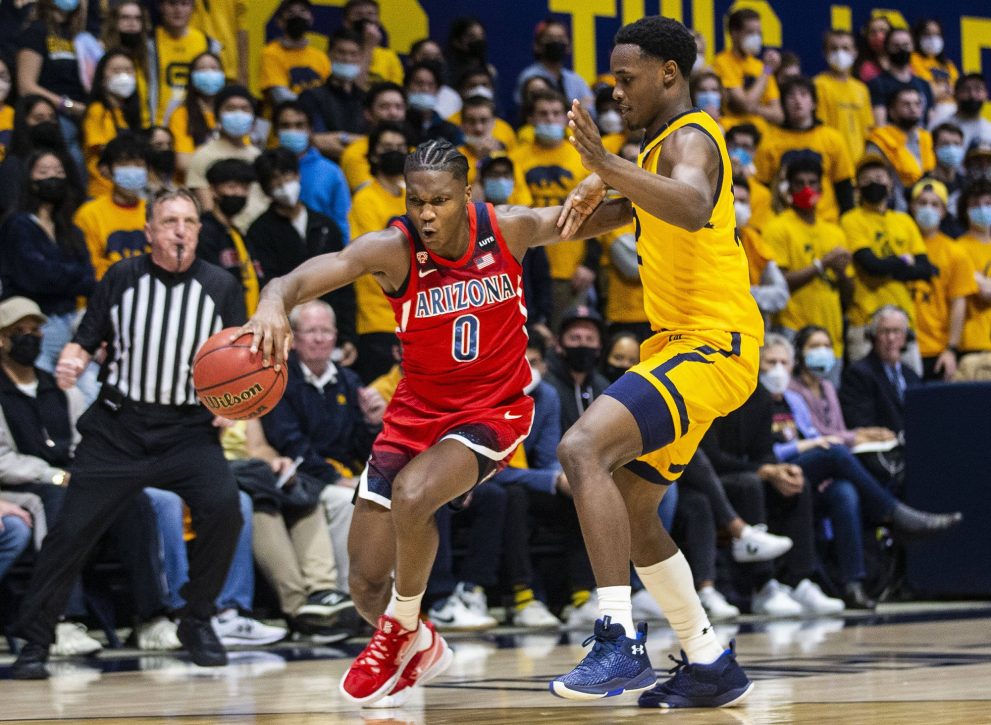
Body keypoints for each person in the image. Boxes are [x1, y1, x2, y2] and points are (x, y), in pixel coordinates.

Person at [239, 137, 630, 707]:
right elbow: (309, 276)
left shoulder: (509, 228)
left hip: (494, 409)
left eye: (440, 201)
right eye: (415, 200)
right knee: (366, 586)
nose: (425, 214)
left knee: (414, 492)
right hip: (415, 413)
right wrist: (273, 299)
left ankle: (398, 631)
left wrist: (621, 182)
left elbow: (617, 213)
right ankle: (418, 639)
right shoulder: (392, 248)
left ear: (466, 195)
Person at [550, 16, 761, 707]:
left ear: (668, 73)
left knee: (581, 447)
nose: (615, 91)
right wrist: (584, 198)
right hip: (686, 346)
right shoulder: (653, 153)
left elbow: (694, 204)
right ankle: (707, 660)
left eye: (624, 77)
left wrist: (606, 169)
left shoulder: (691, 137)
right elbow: (629, 211)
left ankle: (616, 637)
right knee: (634, 511)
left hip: (712, 341)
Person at [10, 189, 246, 679]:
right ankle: (34, 638)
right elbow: (87, 334)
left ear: (199, 231)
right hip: (119, 429)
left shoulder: (222, 284)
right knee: (70, 531)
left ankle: (196, 619)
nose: (180, 230)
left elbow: (238, 357)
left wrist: (233, 406)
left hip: (188, 430)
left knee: (225, 508)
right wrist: (74, 355)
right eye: (169, 221)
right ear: (149, 232)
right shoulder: (121, 276)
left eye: (188, 221)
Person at [260, 300, 380, 594]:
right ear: (293, 338)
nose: (318, 338)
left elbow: (360, 447)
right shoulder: (279, 380)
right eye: (311, 331)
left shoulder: (349, 380)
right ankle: (346, 594)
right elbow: (290, 443)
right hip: (301, 476)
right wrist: (335, 478)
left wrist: (372, 424)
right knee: (347, 500)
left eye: (325, 331)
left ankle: (389, 596)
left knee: (390, 496)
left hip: (344, 473)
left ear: (336, 337)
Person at [247, 148, 354, 354]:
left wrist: (349, 336)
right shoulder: (259, 231)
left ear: (297, 174)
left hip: (331, 332)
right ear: (266, 189)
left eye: (286, 175)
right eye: (274, 181)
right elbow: (267, 283)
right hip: (289, 337)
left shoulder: (325, 225)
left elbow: (346, 283)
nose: (283, 185)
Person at [0, 150, 94, 374]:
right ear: (29, 180)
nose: (53, 176)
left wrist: (59, 274)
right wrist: (72, 275)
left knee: (91, 391)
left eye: (59, 171)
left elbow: (89, 278)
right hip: (35, 325)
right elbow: (36, 278)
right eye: (44, 171)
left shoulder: (71, 230)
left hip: (71, 322)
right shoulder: (18, 225)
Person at [510, 90, 592, 330]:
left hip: (572, 268)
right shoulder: (515, 159)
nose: (550, 119)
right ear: (531, 119)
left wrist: (589, 262)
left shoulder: (583, 156)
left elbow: (597, 211)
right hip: (527, 266)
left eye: (556, 113)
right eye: (543, 114)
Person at [842, 155, 933, 368]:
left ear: (890, 183)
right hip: (865, 321)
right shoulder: (851, 219)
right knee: (867, 387)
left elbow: (925, 269)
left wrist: (888, 267)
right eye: (867, 179)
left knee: (911, 391)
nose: (875, 182)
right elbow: (870, 266)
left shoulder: (904, 220)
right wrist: (903, 262)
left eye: (880, 177)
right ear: (858, 187)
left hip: (904, 320)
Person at [762, 155, 851, 357]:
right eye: (799, 183)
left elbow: (848, 294)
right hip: (792, 329)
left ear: (821, 189)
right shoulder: (776, 228)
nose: (806, 188)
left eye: (812, 183)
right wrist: (822, 264)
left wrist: (842, 274)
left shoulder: (835, 232)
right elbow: (779, 284)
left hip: (831, 333)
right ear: (789, 189)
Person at [348, 122, 409, 383]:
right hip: (376, 318)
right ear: (373, 154)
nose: (394, 152)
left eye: (400, 147)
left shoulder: (413, 197)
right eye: (387, 148)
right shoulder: (365, 199)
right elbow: (373, 256)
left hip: (415, 318)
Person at [754, 76, 855, 222]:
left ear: (813, 103)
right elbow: (762, 187)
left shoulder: (832, 138)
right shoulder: (769, 141)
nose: (797, 100)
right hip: (784, 224)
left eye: (803, 94)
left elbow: (844, 186)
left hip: (826, 221)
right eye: (791, 96)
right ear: (783, 104)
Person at [908, 179, 977, 380]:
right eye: (922, 203)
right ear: (912, 207)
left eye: (935, 204)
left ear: (944, 211)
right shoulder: (898, 244)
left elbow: (958, 304)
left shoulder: (955, 252)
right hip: (901, 347)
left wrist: (951, 349)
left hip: (937, 350)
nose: (928, 209)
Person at [16, 0, 88, 176]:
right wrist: (70, 106)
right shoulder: (36, 31)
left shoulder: (76, 36)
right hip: (56, 119)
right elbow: (26, 86)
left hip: (82, 119)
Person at [186, 84, 268, 229]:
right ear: (218, 116)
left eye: (245, 108)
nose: (238, 114)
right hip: (226, 237)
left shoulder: (258, 156)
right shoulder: (203, 156)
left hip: (259, 236)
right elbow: (208, 210)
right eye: (230, 108)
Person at [74, 132, 150, 281]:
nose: (132, 170)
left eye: (139, 164)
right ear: (107, 170)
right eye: (124, 163)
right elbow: (88, 270)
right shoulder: (89, 214)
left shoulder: (154, 211)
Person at [274, 100, 350, 242]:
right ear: (276, 131)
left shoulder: (331, 172)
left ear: (310, 130)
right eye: (285, 126)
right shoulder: (267, 168)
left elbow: (342, 222)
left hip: (322, 251)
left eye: (299, 125)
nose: (292, 131)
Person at [196, 159, 260, 315]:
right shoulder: (203, 232)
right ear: (213, 190)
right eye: (232, 187)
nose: (238, 193)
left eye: (244, 188)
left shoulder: (239, 234)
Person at [81, 49, 143, 198]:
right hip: (102, 191)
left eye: (128, 70)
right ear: (102, 77)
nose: (123, 76)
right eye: (116, 71)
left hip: (130, 192)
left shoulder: (129, 114)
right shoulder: (97, 111)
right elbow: (104, 150)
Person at [298, 28, 366, 161]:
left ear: (361, 58)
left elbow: (375, 142)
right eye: (341, 52)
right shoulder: (311, 96)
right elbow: (317, 141)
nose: (347, 58)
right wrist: (361, 145)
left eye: (353, 54)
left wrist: (341, 137)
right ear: (329, 54)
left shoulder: (366, 98)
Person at [712, 8, 783, 130]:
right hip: (734, 133)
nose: (756, 38)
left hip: (761, 135)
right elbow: (745, 105)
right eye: (750, 32)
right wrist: (767, 72)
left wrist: (754, 108)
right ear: (734, 33)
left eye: (759, 33)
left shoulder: (760, 66)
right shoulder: (722, 62)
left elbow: (778, 115)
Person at [151, 0, 218, 124]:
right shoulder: (149, 42)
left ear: (193, 7)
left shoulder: (208, 44)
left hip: (196, 125)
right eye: (172, 4)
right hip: (158, 126)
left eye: (184, 4)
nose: (178, 10)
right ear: (161, 7)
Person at [814, 30, 875, 165]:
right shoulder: (818, 85)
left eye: (845, 48)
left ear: (855, 53)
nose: (840, 53)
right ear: (825, 53)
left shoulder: (862, 89)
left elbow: (867, 129)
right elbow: (819, 129)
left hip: (859, 162)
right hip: (831, 162)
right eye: (834, 48)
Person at [866, 87, 935, 201]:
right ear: (892, 111)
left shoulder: (926, 137)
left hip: (924, 203)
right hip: (894, 205)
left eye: (917, 104)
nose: (913, 109)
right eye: (906, 104)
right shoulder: (880, 140)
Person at [259, 0, 329, 108]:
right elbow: (279, 96)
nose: (298, 16)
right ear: (280, 22)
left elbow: (329, 94)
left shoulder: (320, 56)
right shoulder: (271, 53)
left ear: (311, 19)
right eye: (291, 13)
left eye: (302, 11)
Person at [514, 19, 594, 113]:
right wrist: (575, 109)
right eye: (550, 38)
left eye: (560, 38)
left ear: (568, 45)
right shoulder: (530, 77)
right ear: (538, 45)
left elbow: (590, 109)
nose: (556, 42)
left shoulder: (576, 81)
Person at [339, 81, 407, 192]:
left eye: (399, 107)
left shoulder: (413, 151)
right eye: (385, 107)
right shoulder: (355, 153)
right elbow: (369, 191)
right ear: (368, 113)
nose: (393, 113)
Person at [169, 51, 225, 179]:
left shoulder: (230, 114)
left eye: (214, 68)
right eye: (202, 69)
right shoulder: (181, 114)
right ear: (192, 77)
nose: (209, 73)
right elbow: (183, 163)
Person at [954, 179, 991, 358]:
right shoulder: (957, 248)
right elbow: (985, 293)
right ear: (965, 211)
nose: (983, 209)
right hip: (972, 343)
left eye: (988, 204)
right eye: (976, 205)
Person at [868, 28, 933, 127]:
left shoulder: (923, 84)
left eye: (906, 45)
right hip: (892, 140)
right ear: (887, 49)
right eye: (896, 46)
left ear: (913, 47)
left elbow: (930, 122)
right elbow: (880, 125)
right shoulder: (878, 84)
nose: (901, 49)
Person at [341, 0, 403, 87]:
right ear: (347, 22)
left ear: (378, 22)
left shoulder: (389, 56)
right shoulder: (339, 52)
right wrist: (368, 47)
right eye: (359, 15)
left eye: (370, 14)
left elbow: (394, 89)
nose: (365, 19)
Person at [910, 19, 958, 122]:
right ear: (918, 37)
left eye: (937, 34)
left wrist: (941, 89)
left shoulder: (948, 64)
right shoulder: (913, 59)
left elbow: (958, 90)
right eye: (927, 34)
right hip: (930, 111)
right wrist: (947, 89)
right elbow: (927, 91)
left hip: (954, 110)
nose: (933, 38)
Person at [945, 74, 991, 151]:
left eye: (978, 89)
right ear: (955, 94)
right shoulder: (942, 126)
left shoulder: (989, 129)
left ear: (986, 94)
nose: (972, 95)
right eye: (966, 90)